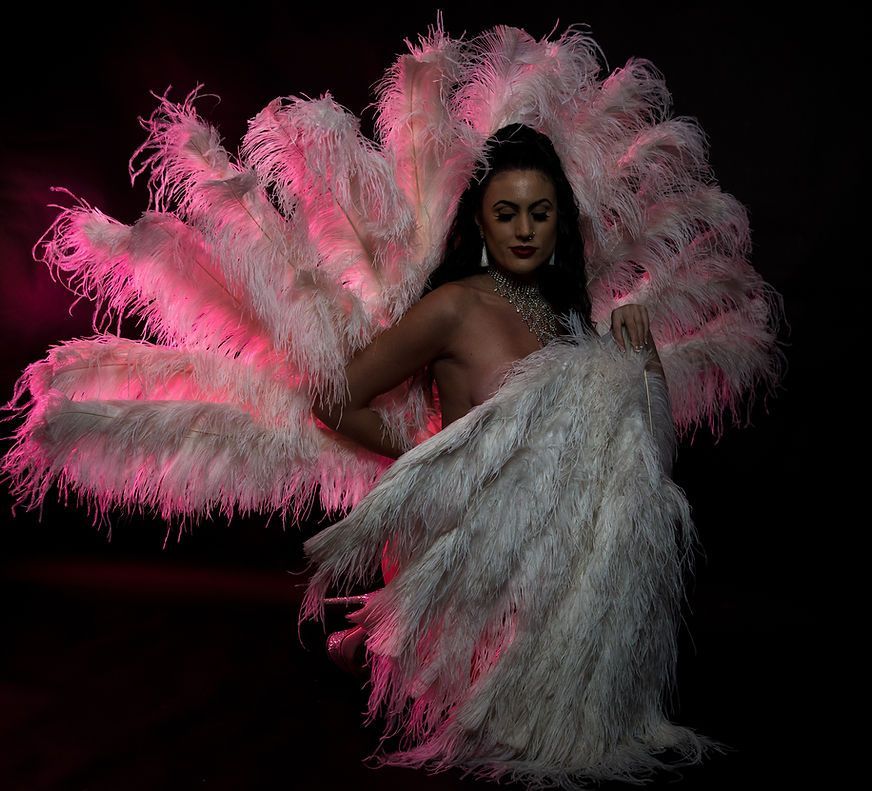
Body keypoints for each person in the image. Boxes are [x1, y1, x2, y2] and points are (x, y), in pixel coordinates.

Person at [301, 124, 715, 787]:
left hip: (554, 561)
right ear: (482, 223)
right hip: (472, 557)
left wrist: (639, 352)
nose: (524, 228)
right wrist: (429, 458)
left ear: (559, 224)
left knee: (577, 700)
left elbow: (641, 452)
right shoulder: (453, 306)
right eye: (506, 212)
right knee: (503, 715)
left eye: (540, 212)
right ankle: (385, 645)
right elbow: (336, 398)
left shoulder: (567, 318)